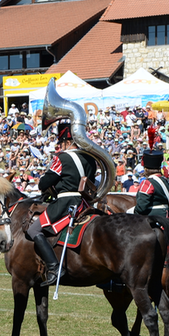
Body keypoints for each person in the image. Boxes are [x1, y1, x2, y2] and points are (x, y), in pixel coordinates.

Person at [24, 122, 99, 287]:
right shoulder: (90, 159)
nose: (60, 145)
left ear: (65, 141)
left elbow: (45, 183)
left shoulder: (61, 157)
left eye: (60, 142)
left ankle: (54, 267)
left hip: (66, 202)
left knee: (33, 229)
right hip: (84, 204)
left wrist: (44, 182)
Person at [134, 127, 169, 220]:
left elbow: (141, 207)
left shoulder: (147, 183)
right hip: (168, 216)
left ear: (146, 169)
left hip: (153, 217)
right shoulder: (165, 181)